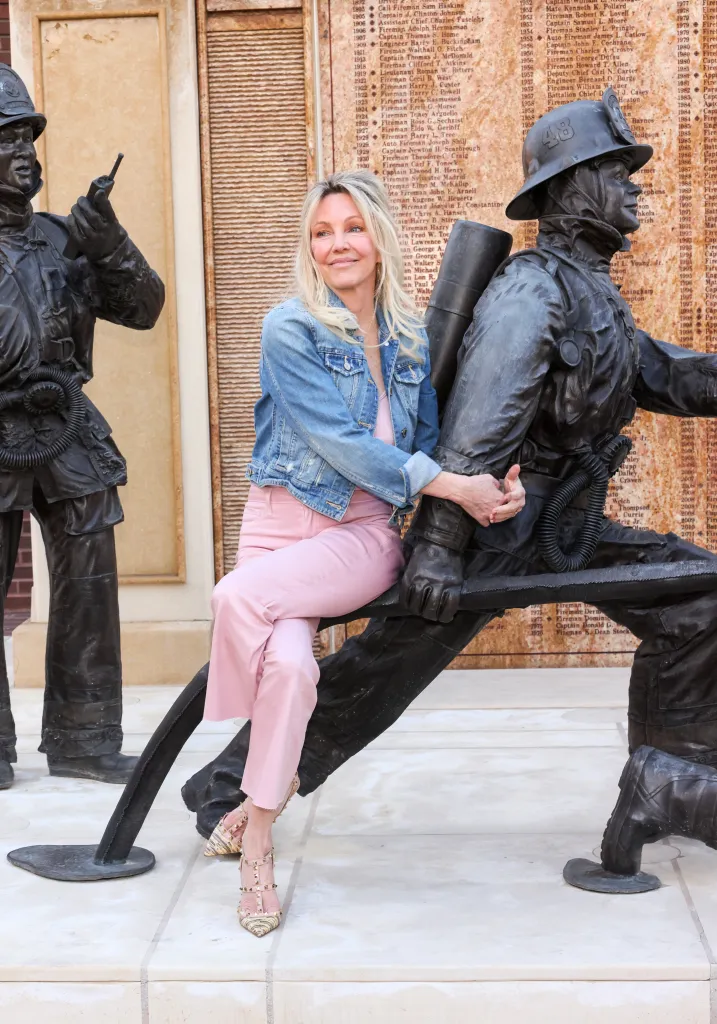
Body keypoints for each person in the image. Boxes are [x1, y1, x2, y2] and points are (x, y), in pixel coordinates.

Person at [184, 89, 717, 856]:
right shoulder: (532, 291)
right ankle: (226, 792)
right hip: (493, 526)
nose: (633, 184)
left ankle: (666, 779)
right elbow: (477, 422)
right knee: (379, 674)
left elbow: (667, 375)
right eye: (616, 170)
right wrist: (436, 547)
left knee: (693, 595)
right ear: (572, 188)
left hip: (563, 524)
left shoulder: (594, 296)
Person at [200, 169, 525, 937]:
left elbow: (421, 451)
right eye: (321, 232)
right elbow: (336, 443)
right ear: (308, 250)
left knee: (230, 600)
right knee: (289, 668)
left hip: (359, 539)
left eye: (350, 228)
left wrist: (488, 488)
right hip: (276, 529)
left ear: (377, 239)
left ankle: (251, 836)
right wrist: (452, 485)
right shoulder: (290, 328)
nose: (336, 243)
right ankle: (260, 824)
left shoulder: (410, 342)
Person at [0, 64, 164, 790]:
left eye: (28, 137)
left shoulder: (65, 238)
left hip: (65, 425)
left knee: (90, 577)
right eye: (7, 140)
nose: (24, 153)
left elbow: (145, 307)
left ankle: (85, 738)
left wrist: (110, 244)